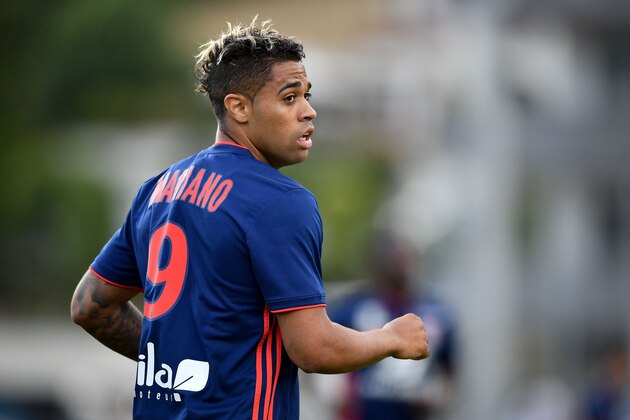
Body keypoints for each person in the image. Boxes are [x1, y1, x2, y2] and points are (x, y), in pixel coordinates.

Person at [70, 18, 430, 419]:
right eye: (289, 98)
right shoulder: (279, 201)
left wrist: (179, 363)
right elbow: (314, 349)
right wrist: (390, 339)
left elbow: (90, 306)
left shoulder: (157, 190)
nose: (309, 111)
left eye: (307, 95)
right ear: (238, 107)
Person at [330, 230, 456, 420]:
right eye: (392, 255)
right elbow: (323, 347)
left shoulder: (435, 312)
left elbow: (449, 368)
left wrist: (438, 395)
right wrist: (335, 392)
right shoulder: (352, 308)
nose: (399, 263)